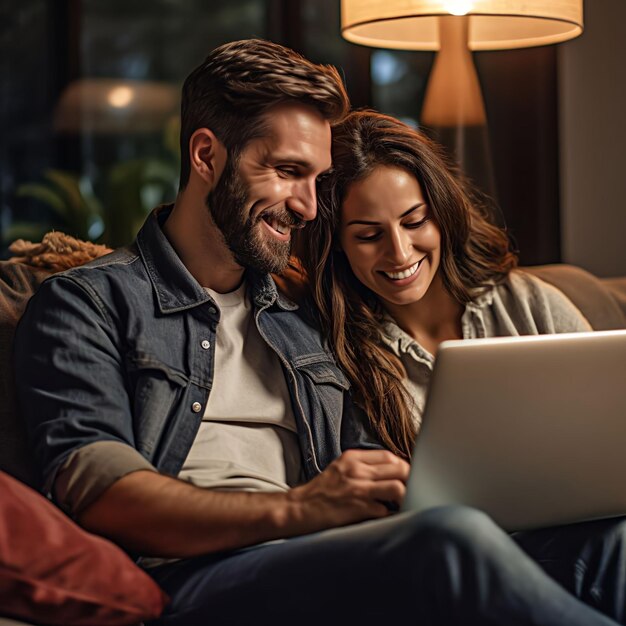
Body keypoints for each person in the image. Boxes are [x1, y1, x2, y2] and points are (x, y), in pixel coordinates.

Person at [12, 39, 623, 626]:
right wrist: (302, 509)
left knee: (608, 543)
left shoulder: (305, 313)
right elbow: (98, 490)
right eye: (286, 171)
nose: (308, 206)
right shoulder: (88, 302)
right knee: (447, 542)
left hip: (331, 558)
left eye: (316, 179)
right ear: (206, 156)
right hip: (192, 579)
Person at [300, 109, 626, 623]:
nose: (399, 252)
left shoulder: (526, 303)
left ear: (442, 213)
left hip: (559, 540)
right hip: (442, 570)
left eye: (414, 221)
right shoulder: (331, 346)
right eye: (368, 235)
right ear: (336, 242)